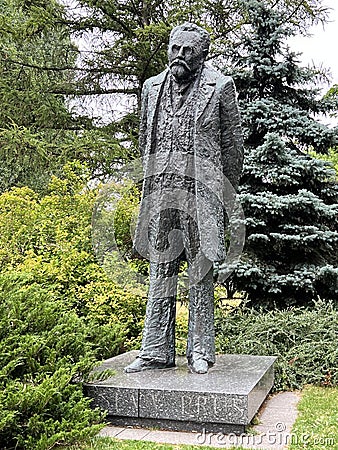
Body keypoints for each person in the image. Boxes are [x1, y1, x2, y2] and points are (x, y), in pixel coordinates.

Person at [125, 23, 243, 374]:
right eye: (174, 48)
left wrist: (222, 195)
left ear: (203, 55)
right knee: (160, 267)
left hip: (200, 195)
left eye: (186, 50)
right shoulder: (150, 88)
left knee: (200, 269)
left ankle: (200, 350)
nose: (178, 55)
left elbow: (233, 148)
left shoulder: (220, 87)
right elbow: (146, 137)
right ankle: (155, 349)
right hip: (161, 193)